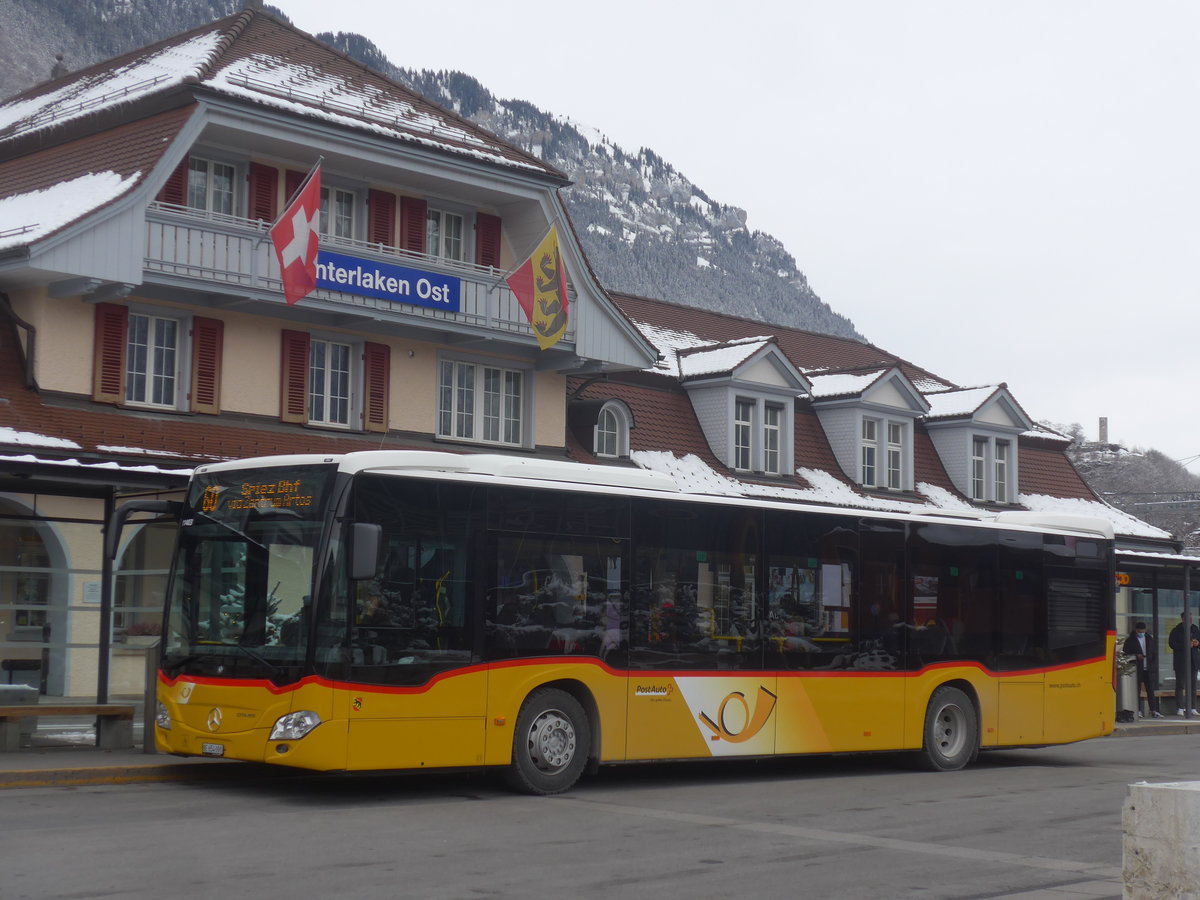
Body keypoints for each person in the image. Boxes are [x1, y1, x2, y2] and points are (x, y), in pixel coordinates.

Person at [1122, 621, 1163, 718]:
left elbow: (1154, 653)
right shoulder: (1130, 640)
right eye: (1140, 631)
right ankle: (1138, 710)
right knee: (1137, 690)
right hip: (1136, 668)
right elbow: (1126, 653)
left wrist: (1152, 665)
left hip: (1148, 668)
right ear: (1136, 630)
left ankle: (1153, 710)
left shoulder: (1149, 639)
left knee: (1150, 690)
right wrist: (1136, 656)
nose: (1141, 633)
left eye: (1143, 631)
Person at [1167, 612, 1200, 716]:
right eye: (1187, 618)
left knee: (1193, 685)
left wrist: (1197, 643)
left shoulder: (1195, 628)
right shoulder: (1176, 630)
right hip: (1181, 661)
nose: (1190, 620)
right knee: (1180, 684)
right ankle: (1180, 707)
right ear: (1182, 619)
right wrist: (1186, 645)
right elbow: (1172, 644)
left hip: (1193, 661)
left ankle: (1193, 707)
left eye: (1191, 618)